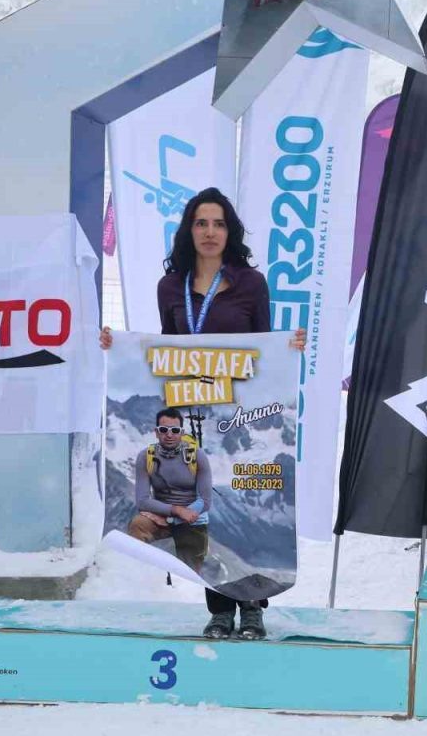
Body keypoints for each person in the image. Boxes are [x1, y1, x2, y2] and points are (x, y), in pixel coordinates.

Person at [102, 186, 305, 640]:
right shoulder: (170, 287)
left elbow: (265, 346)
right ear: (188, 231)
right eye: (201, 223)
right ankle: (219, 609)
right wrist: (119, 346)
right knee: (203, 510)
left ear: (229, 231)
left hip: (240, 417)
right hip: (193, 416)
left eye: (218, 223)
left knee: (245, 500)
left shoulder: (250, 283)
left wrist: (288, 347)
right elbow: (164, 348)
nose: (210, 232)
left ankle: (252, 609)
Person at [128, 407, 212, 575]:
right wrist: (175, 511)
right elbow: (142, 501)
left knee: (189, 576)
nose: (169, 434)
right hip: (161, 516)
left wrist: (174, 518)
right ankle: (139, 576)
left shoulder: (198, 456)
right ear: (156, 432)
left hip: (192, 520)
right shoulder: (146, 456)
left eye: (174, 430)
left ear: (181, 432)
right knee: (137, 525)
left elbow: (205, 501)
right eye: (163, 430)